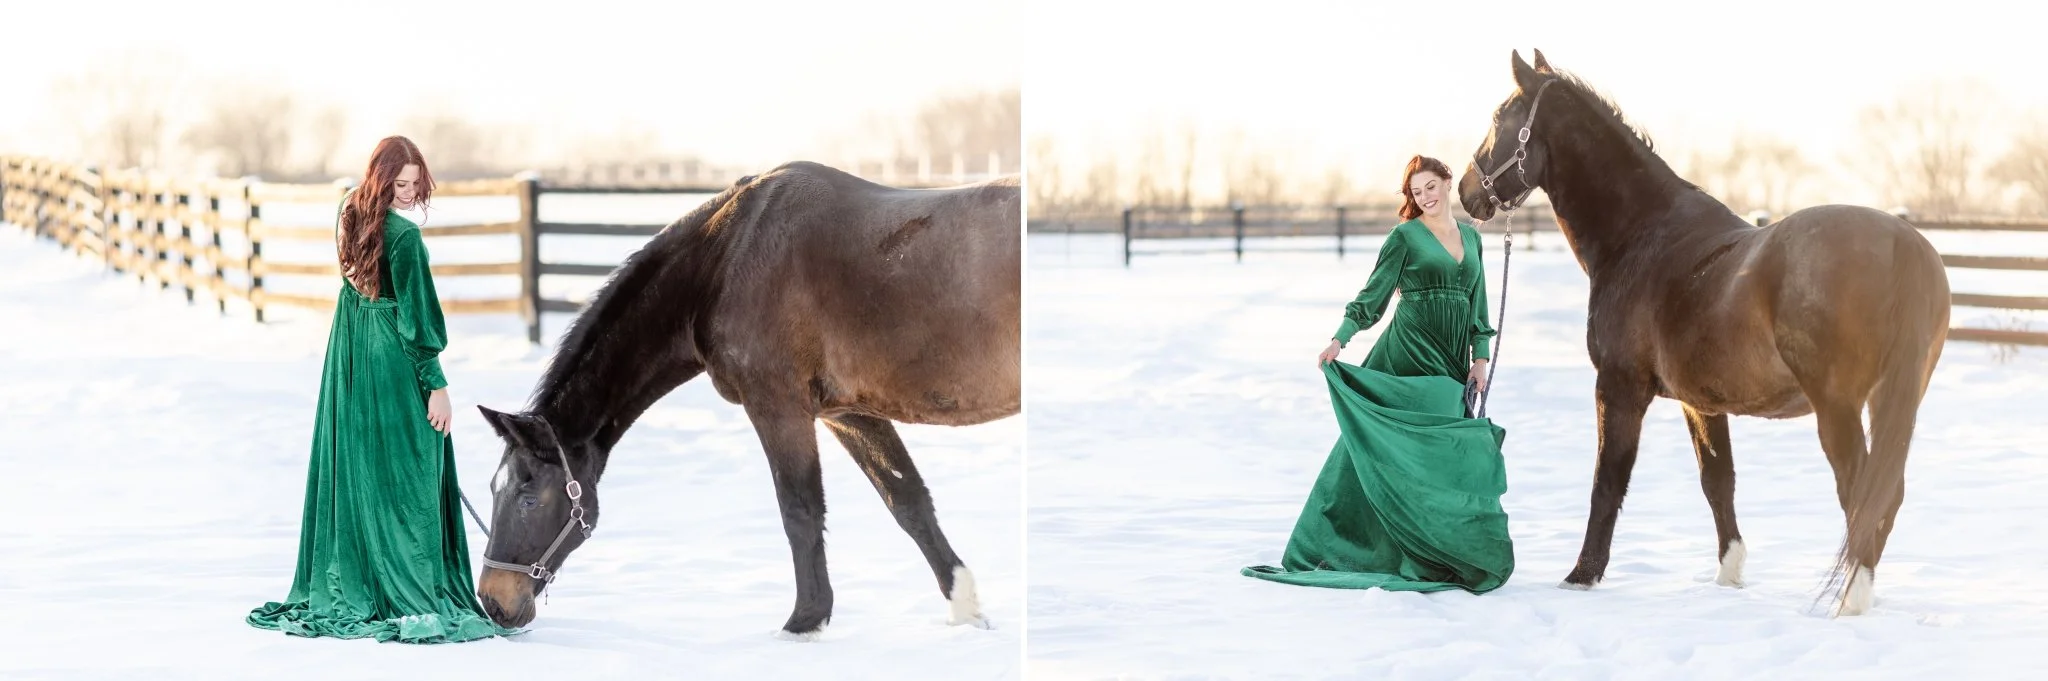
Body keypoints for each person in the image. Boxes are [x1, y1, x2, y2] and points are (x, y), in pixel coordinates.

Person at [246, 136, 515, 643]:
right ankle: (409, 586)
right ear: (381, 178)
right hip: (391, 358)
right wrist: (436, 385)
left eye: (416, 183)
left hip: (350, 353)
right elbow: (419, 324)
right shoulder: (405, 238)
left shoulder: (348, 212)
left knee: (361, 463)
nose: (410, 193)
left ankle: (364, 576)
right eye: (401, 182)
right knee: (411, 468)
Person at [1241, 154, 1515, 594]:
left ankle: (1440, 548)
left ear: (1447, 184)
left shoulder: (1472, 238)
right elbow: (1373, 297)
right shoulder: (1404, 237)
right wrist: (1340, 338)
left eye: (1430, 186)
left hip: (1450, 361)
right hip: (1406, 353)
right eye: (1415, 191)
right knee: (1387, 449)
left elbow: (1477, 303)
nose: (1424, 196)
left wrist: (1479, 357)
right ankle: (1347, 543)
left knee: (1437, 454)